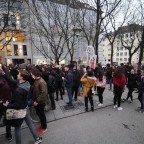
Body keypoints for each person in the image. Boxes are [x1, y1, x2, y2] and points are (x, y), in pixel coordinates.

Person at [5, 70, 30, 144]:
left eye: (18, 74)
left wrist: (8, 105)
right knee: (29, 124)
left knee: (17, 128)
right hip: (24, 107)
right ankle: (37, 137)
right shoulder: (27, 83)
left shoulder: (18, 90)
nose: (17, 75)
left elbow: (17, 105)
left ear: (22, 77)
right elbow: (12, 81)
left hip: (20, 110)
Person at [31, 68, 48, 136]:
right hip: (37, 101)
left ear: (35, 74)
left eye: (32, 74)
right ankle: (42, 125)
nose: (31, 75)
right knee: (39, 114)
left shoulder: (41, 82)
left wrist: (37, 101)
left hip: (40, 102)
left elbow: (44, 93)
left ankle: (44, 127)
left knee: (41, 115)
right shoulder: (36, 80)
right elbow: (36, 89)